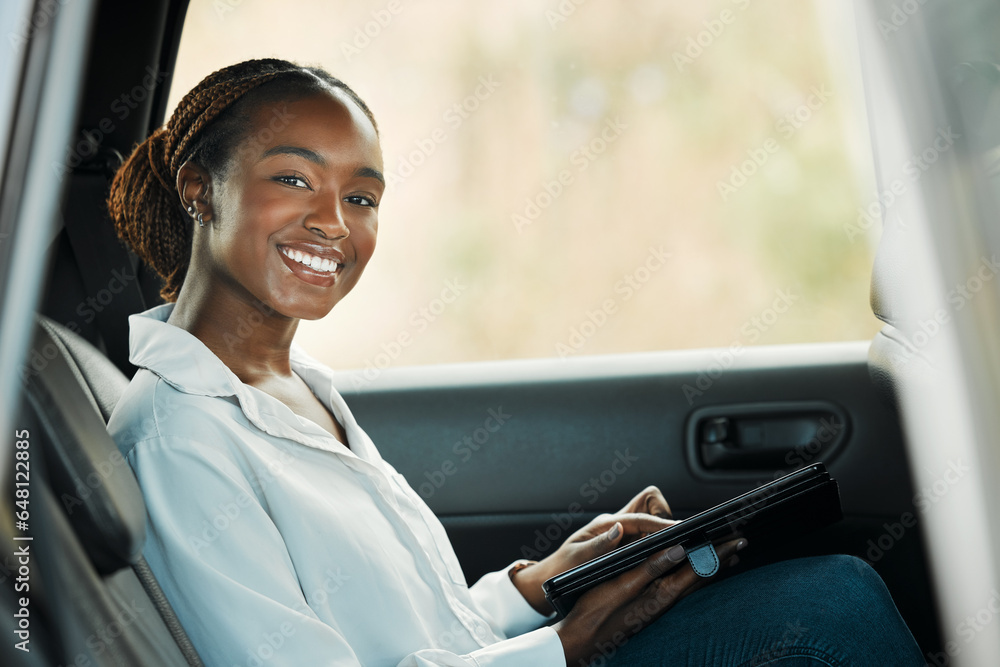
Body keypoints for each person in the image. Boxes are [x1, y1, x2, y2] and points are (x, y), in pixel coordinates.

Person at [106, 59, 924, 666]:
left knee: (826, 590)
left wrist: (540, 583)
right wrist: (567, 644)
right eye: (294, 178)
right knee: (830, 608)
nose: (334, 224)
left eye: (360, 198)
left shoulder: (293, 386)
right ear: (198, 189)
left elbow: (420, 631)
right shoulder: (178, 439)